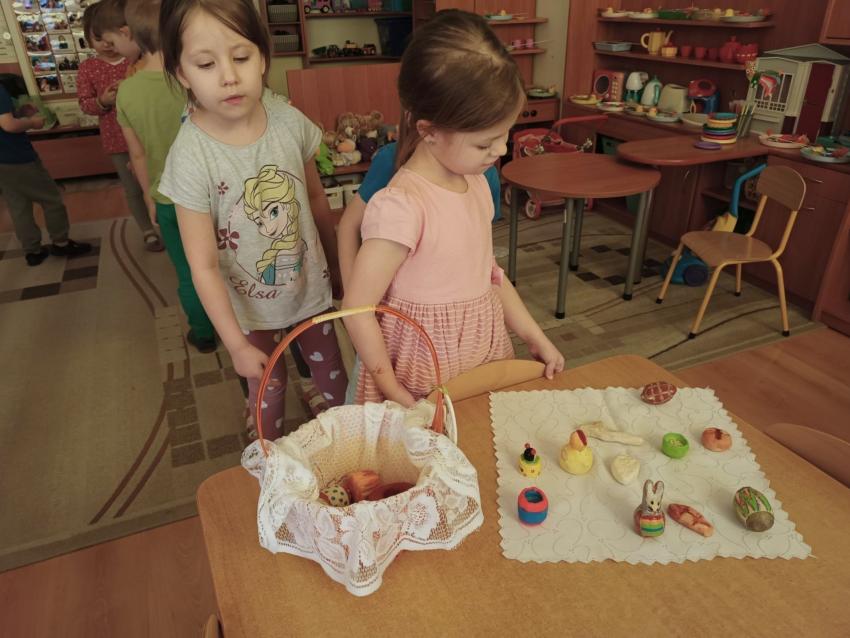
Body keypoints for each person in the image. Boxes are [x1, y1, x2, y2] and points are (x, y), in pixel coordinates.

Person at [342, 10, 564, 407]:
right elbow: (357, 309)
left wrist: (535, 336)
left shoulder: (477, 182)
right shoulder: (401, 206)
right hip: (420, 367)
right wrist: (392, 389)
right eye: (485, 143)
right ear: (429, 131)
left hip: (481, 350)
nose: (500, 150)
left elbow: (491, 276)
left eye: (505, 135)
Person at [158, 0, 348, 441]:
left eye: (241, 57)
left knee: (334, 377)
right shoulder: (190, 155)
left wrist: (336, 264)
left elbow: (315, 198)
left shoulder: (288, 121)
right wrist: (235, 345)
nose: (228, 75)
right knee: (267, 390)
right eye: (206, 64)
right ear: (182, 73)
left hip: (310, 290)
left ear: (263, 57)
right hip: (248, 312)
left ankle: (348, 443)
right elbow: (202, 265)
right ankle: (268, 453)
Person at [111, 0, 216, 353]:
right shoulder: (195, 80)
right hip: (214, 193)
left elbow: (137, 154)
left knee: (189, 271)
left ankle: (203, 332)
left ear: (133, 35)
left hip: (168, 197)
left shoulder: (127, 91)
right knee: (227, 264)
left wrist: (147, 195)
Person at [337, 141, 502, 291]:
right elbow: (350, 225)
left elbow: (483, 263)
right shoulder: (392, 163)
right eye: (482, 144)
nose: (502, 150)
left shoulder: (484, 177)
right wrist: (356, 302)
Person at [77, 1, 163, 252]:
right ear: (89, 40)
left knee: (158, 179)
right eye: (98, 39)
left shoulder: (137, 58)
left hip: (147, 135)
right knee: (133, 188)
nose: (106, 45)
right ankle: (147, 230)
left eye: (109, 39)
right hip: (116, 139)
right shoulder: (88, 68)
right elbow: (84, 104)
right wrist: (102, 101)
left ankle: (165, 220)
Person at [0, 83, 91, 266]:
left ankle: (32, 251)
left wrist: (19, 113)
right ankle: (61, 242)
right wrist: (32, 123)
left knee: (18, 206)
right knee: (51, 199)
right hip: (18, 157)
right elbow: (8, 125)